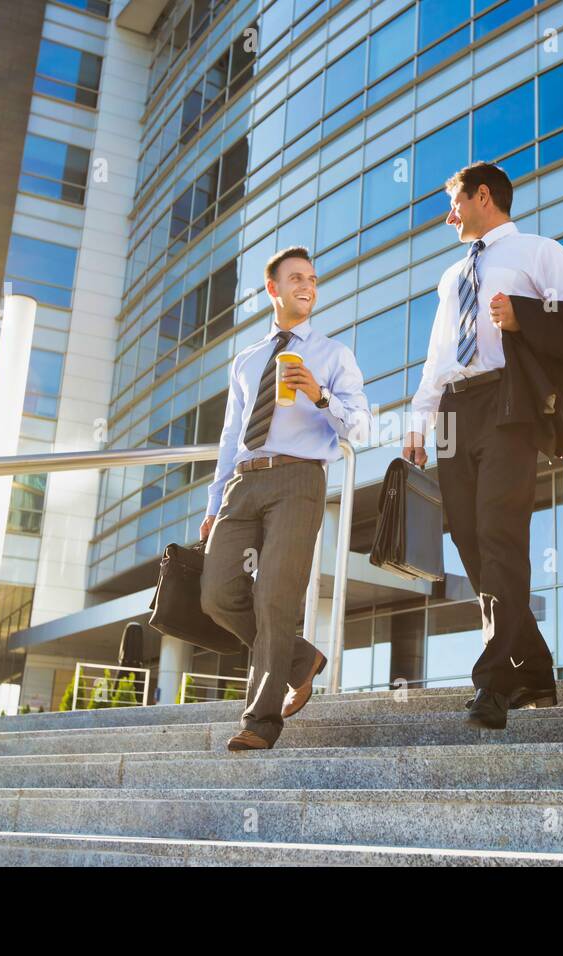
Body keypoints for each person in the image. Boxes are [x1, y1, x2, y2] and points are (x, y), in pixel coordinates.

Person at [402, 162, 563, 730]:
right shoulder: (450, 277)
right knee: (470, 542)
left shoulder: (539, 253)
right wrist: (419, 422)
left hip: (509, 405)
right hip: (453, 411)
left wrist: (523, 317)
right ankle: (535, 668)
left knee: (499, 533)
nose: (449, 215)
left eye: (454, 202)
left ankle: (494, 683)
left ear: (482, 196)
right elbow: (439, 353)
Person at [199, 246, 370, 751]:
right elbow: (231, 436)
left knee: (275, 596)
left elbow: (360, 425)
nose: (308, 287)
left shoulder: (335, 355)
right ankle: (299, 659)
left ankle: (261, 721)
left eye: (313, 280)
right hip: (243, 482)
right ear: (272, 289)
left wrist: (320, 395)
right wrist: (213, 506)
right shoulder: (247, 360)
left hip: (299, 481)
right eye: (296, 278)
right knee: (216, 594)